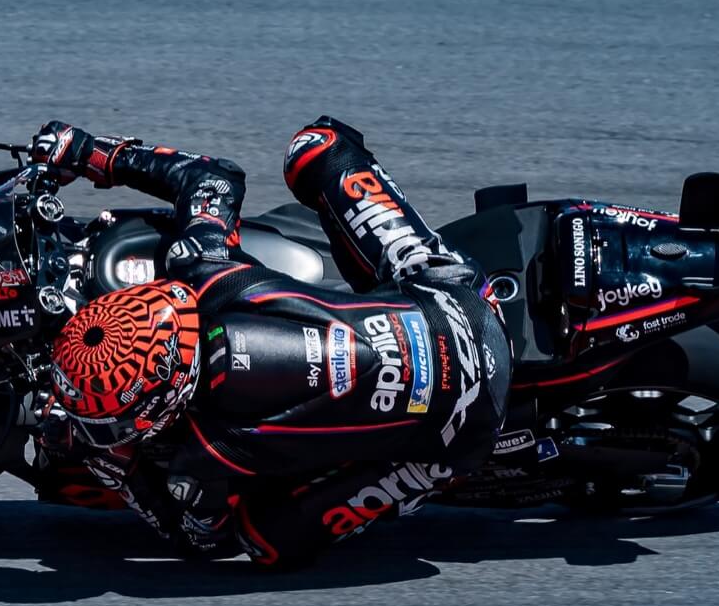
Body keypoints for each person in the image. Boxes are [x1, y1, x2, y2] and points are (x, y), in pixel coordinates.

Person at [30, 117, 510, 568]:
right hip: (457, 298)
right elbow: (213, 177)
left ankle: (422, 473)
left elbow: (201, 540)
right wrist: (95, 153)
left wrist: (120, 468)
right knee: (317, 146)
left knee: (265, 543)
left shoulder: (208, 452)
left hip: (460, 432)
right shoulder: (210, 273)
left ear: (165, 401)